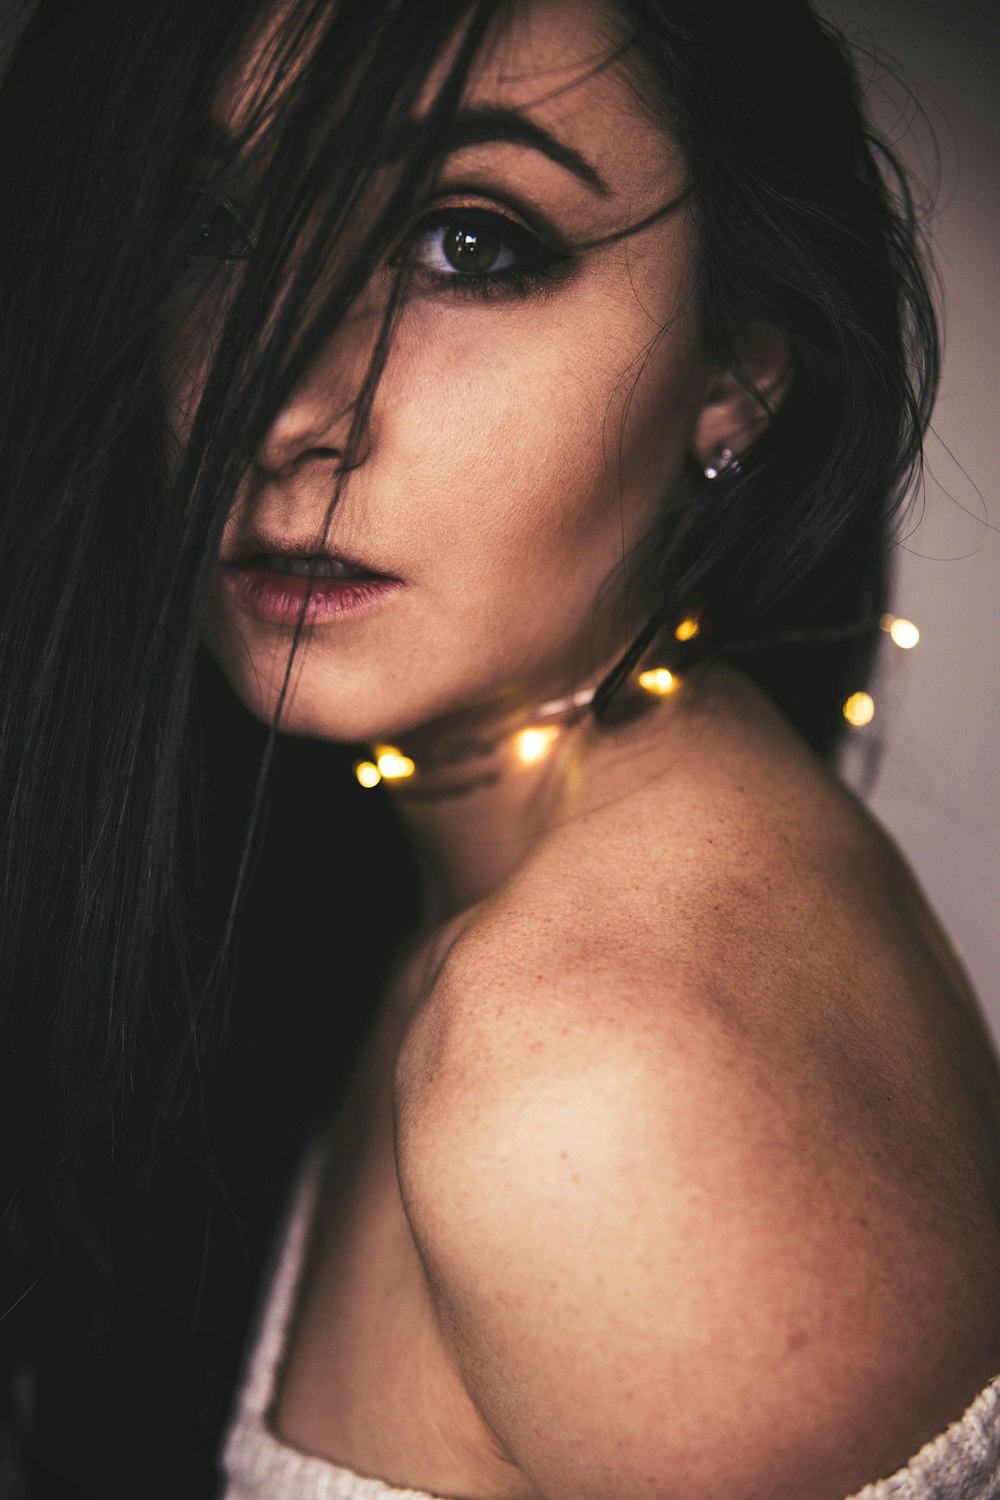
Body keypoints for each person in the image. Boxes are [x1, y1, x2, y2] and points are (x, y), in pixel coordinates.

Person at [1, 0, 999, 1496]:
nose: (284, 406)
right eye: (214, 222)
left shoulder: (591, 1070)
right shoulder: (474, 867)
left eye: (468, 243)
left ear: (735, 367)